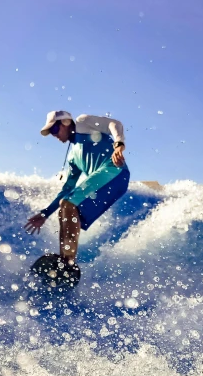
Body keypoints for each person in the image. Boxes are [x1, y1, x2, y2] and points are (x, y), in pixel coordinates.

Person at [24, 111, 130, 265]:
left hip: (115, 171)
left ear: (66, 122)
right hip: (105, 183)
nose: (54, 135)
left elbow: (114, 124)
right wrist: (45, 213)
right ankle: (65, 261)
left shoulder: (83, 122)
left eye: (54, 129)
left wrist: (118, 145)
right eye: (51, 133)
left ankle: (68, 261)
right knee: (65, 207)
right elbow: (67, 189)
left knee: (68, 203)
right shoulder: (72, 156)